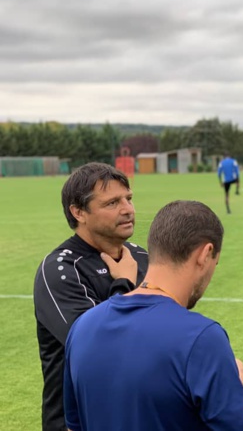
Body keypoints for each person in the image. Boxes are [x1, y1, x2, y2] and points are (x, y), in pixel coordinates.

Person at [63, 201, 243, 430]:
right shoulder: (201, 338)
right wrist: (242, 385)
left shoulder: (82, 328)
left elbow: (74, 425)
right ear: (205, 253)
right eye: (215, 263)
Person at [33, 162, 149, 431]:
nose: (127, 209)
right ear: (79, 212)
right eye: (112, 203)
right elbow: (95, 349)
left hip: (135, 417)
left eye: (128, 199)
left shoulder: (143, 256)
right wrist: (123, 282)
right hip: (79, 422)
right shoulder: (60, 270)